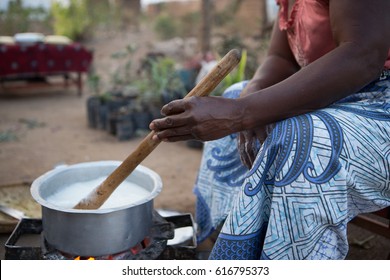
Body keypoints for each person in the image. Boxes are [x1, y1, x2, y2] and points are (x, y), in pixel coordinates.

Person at [150, 0, 390, 260]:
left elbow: (363, 54)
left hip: (379, 99)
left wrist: (241, 113)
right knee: (233, 97)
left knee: (301, 139)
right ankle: (234, 243)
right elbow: (280, 58)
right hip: (335, 91)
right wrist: (249, 97)